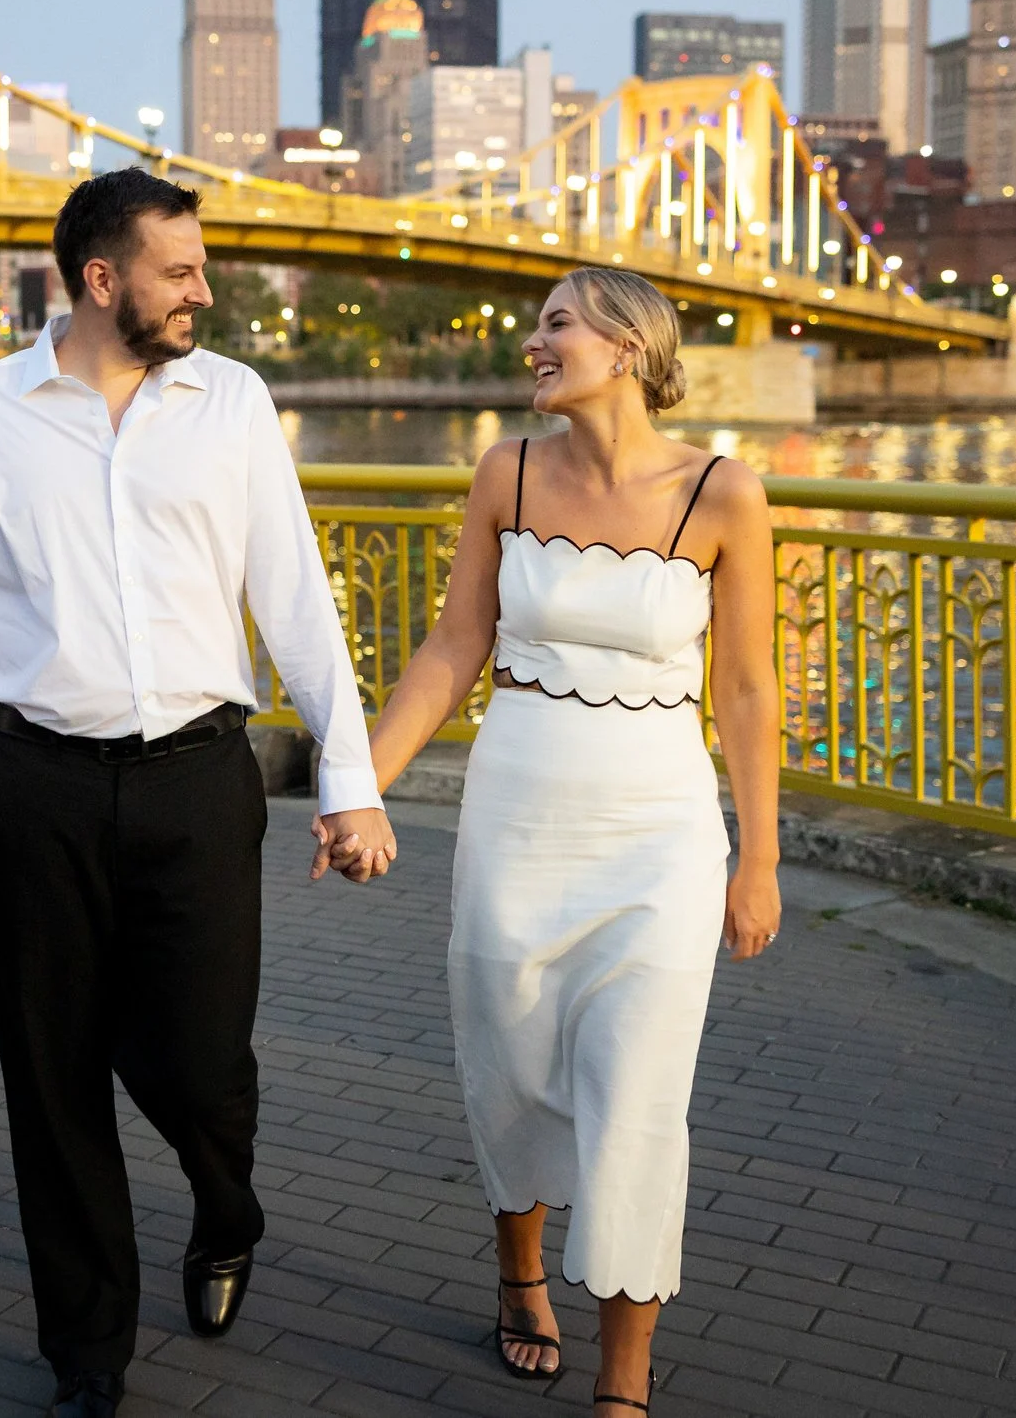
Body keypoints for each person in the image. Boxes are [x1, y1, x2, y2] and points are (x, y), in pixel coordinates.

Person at [0, 167, 399, 1418]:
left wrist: (350, 781)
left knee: (200, 1057)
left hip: (198, 784)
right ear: (102, 280)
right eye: (180, 272)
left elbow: (296, 600)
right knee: (52, 1079)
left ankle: (227, 1207)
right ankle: (88, 1354)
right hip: (31, 789)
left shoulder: (231, 402)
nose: (203, 291)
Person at [321, 266, 781, 1414]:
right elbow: (450, 647)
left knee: (637, 1097)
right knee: (512, 1065)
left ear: (625, 344)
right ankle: (518, 1269)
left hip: (660, 836)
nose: (533, 344)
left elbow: (745, 689)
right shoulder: (506, 472)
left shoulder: (723, 493)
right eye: (535, 326)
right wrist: (353, 786)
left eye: (555, 325)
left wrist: (759, 856)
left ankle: (623, 1382)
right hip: (517, 817)